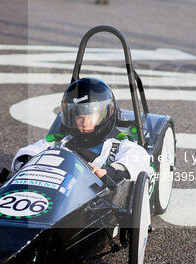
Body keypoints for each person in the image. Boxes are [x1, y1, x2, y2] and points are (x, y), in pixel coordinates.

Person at [9, 78, 151, 190]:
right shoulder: (62, 143)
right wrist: (27, 163)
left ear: (106, 114)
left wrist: (108, 172)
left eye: (91, 116)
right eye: (80, 117)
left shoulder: (118, 145)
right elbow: (31, 150)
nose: (85, 122)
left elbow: (139, 157)